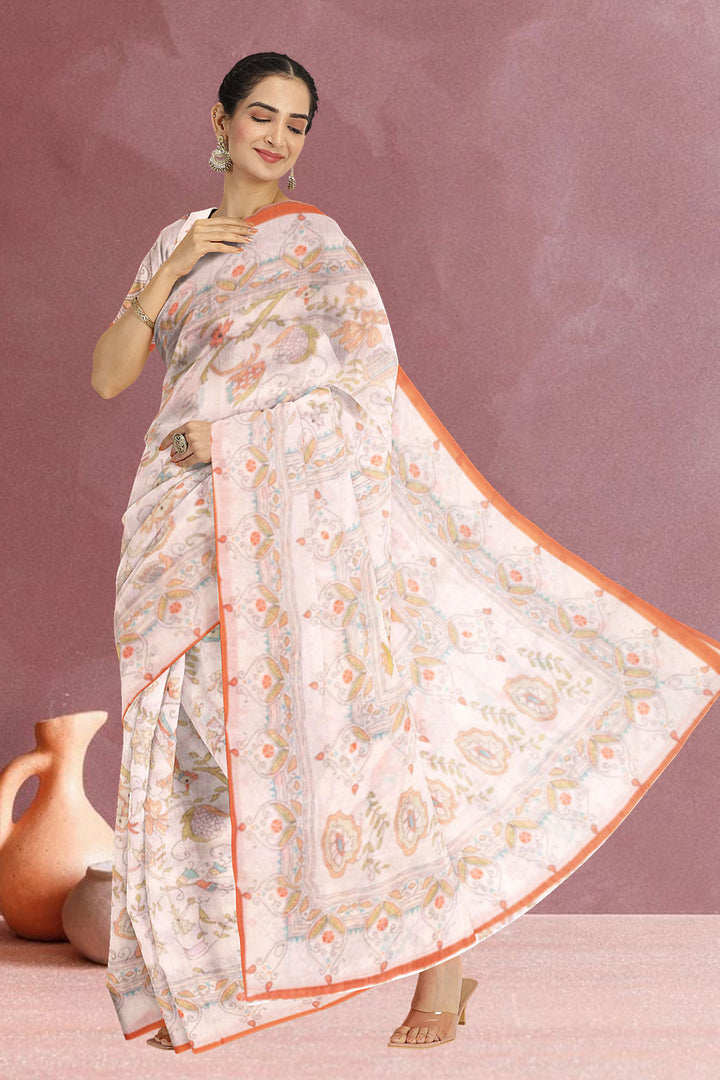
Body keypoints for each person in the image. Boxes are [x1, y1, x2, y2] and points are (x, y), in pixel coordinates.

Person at [92, 52, 720, 1057]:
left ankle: (442, 965)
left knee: (359, 735)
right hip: (175, 525)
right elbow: (109, 375)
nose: (276, 137)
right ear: (220, 119)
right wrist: (168, 275)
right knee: (195, 744)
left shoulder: (320, 249)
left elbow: (362, 393)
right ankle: (210, 985)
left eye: (296, 123)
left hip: (277, 519)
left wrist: (238, 441)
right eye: (261, 115)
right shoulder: (176, 240)